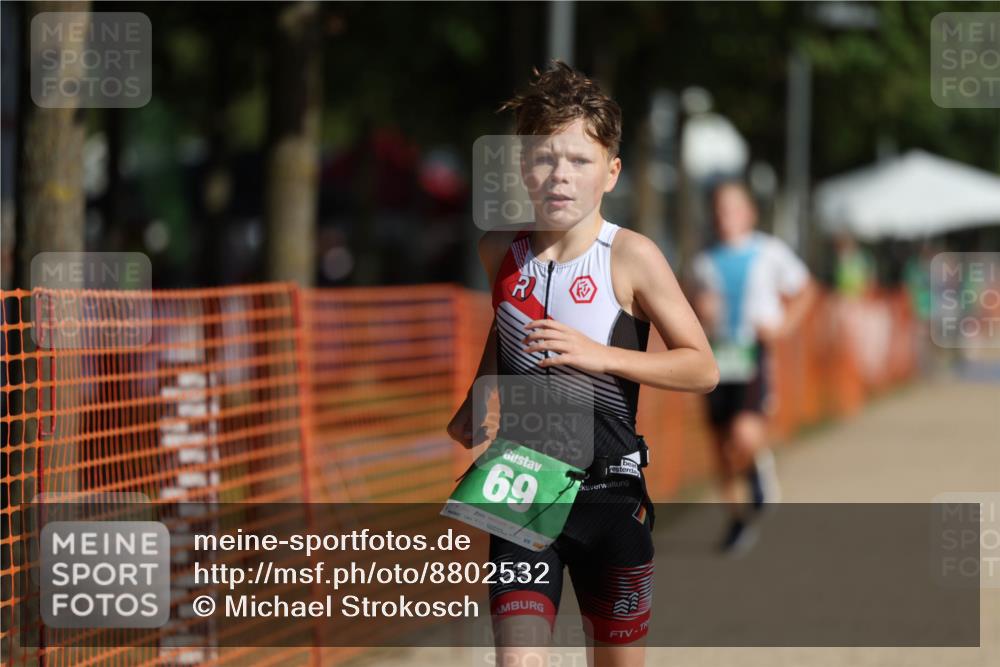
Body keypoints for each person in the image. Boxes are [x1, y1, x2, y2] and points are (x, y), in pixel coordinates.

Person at [447, 61, 718, 667]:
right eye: (544, 158)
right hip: (522, 489)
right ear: (522, 167)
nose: (560, 176)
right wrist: (479, 393)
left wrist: (601, 356)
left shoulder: (631, 257)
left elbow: (702, 367)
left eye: (579, 161)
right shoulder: (499, 250)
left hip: (611, 498)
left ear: (611, 172)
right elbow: (508, 320)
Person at [690, 180, 816, 554]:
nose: (724, 216)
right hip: (716, 354)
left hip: (753, 351)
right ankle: (737, 519)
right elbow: (691, 305)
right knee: (719, 444)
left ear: (748, 213)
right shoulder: (703, 261)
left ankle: (757, 471)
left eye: (732, 208)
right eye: (718, 208)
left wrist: (783, 327)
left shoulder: (770, 251)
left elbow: (805, 290)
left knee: (743, 435)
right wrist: (702, 310)